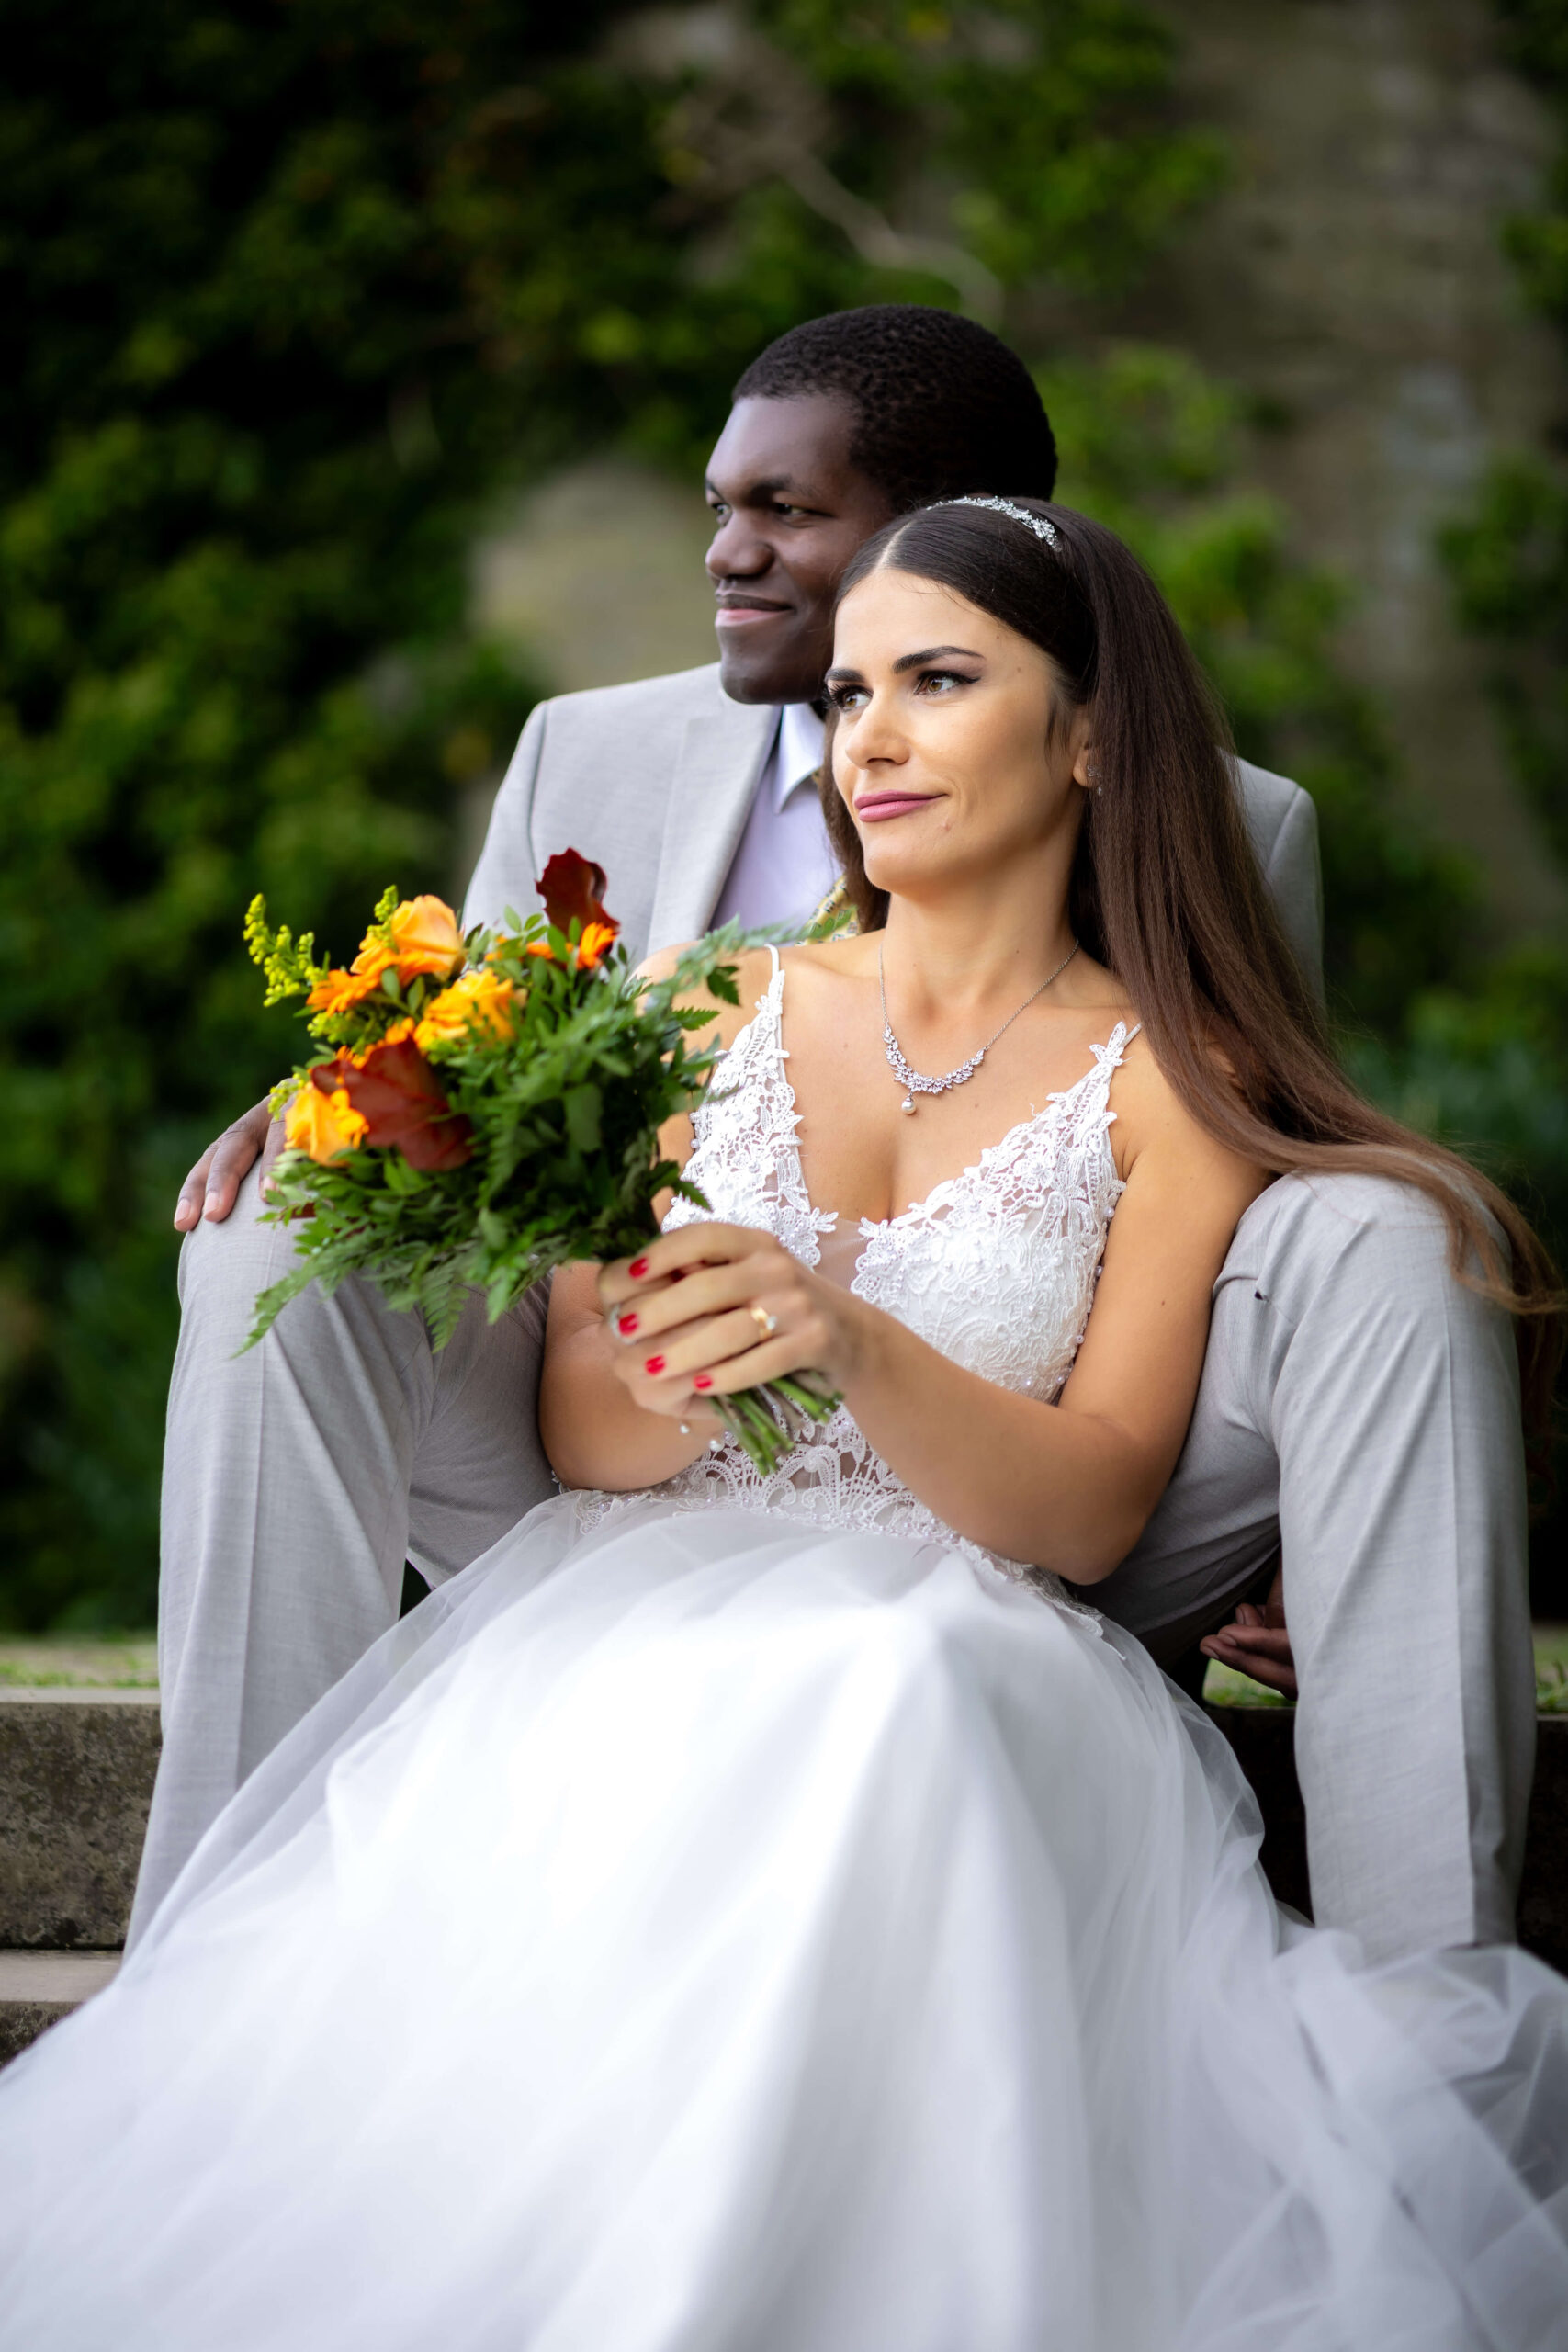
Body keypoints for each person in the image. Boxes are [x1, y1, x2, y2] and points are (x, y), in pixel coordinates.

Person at [4, 494, 1562, 2351]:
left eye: (936, 679)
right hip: (637, 1584)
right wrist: (687, 1363)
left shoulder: (1171, 1074)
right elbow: (585, 1422)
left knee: (878, 1701)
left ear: (1086, 733)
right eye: (845, 693)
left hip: (962, 1621)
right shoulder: (718, 1003)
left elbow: (1085, 1509)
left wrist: (846, 1341)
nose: (868, 737)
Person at [141, 303, 1320, 1931]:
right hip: (627, 1516)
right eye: (720, 508)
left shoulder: (1194, 984)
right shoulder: (682, 945)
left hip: (988, 1570)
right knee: (291, 1242)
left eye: (786, 511)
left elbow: (1227, 1288)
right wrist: (362, 1100)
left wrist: (1286, 1519)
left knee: (888, 1702)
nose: (729, 553)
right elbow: (499, 1105)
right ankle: (214, 1916)